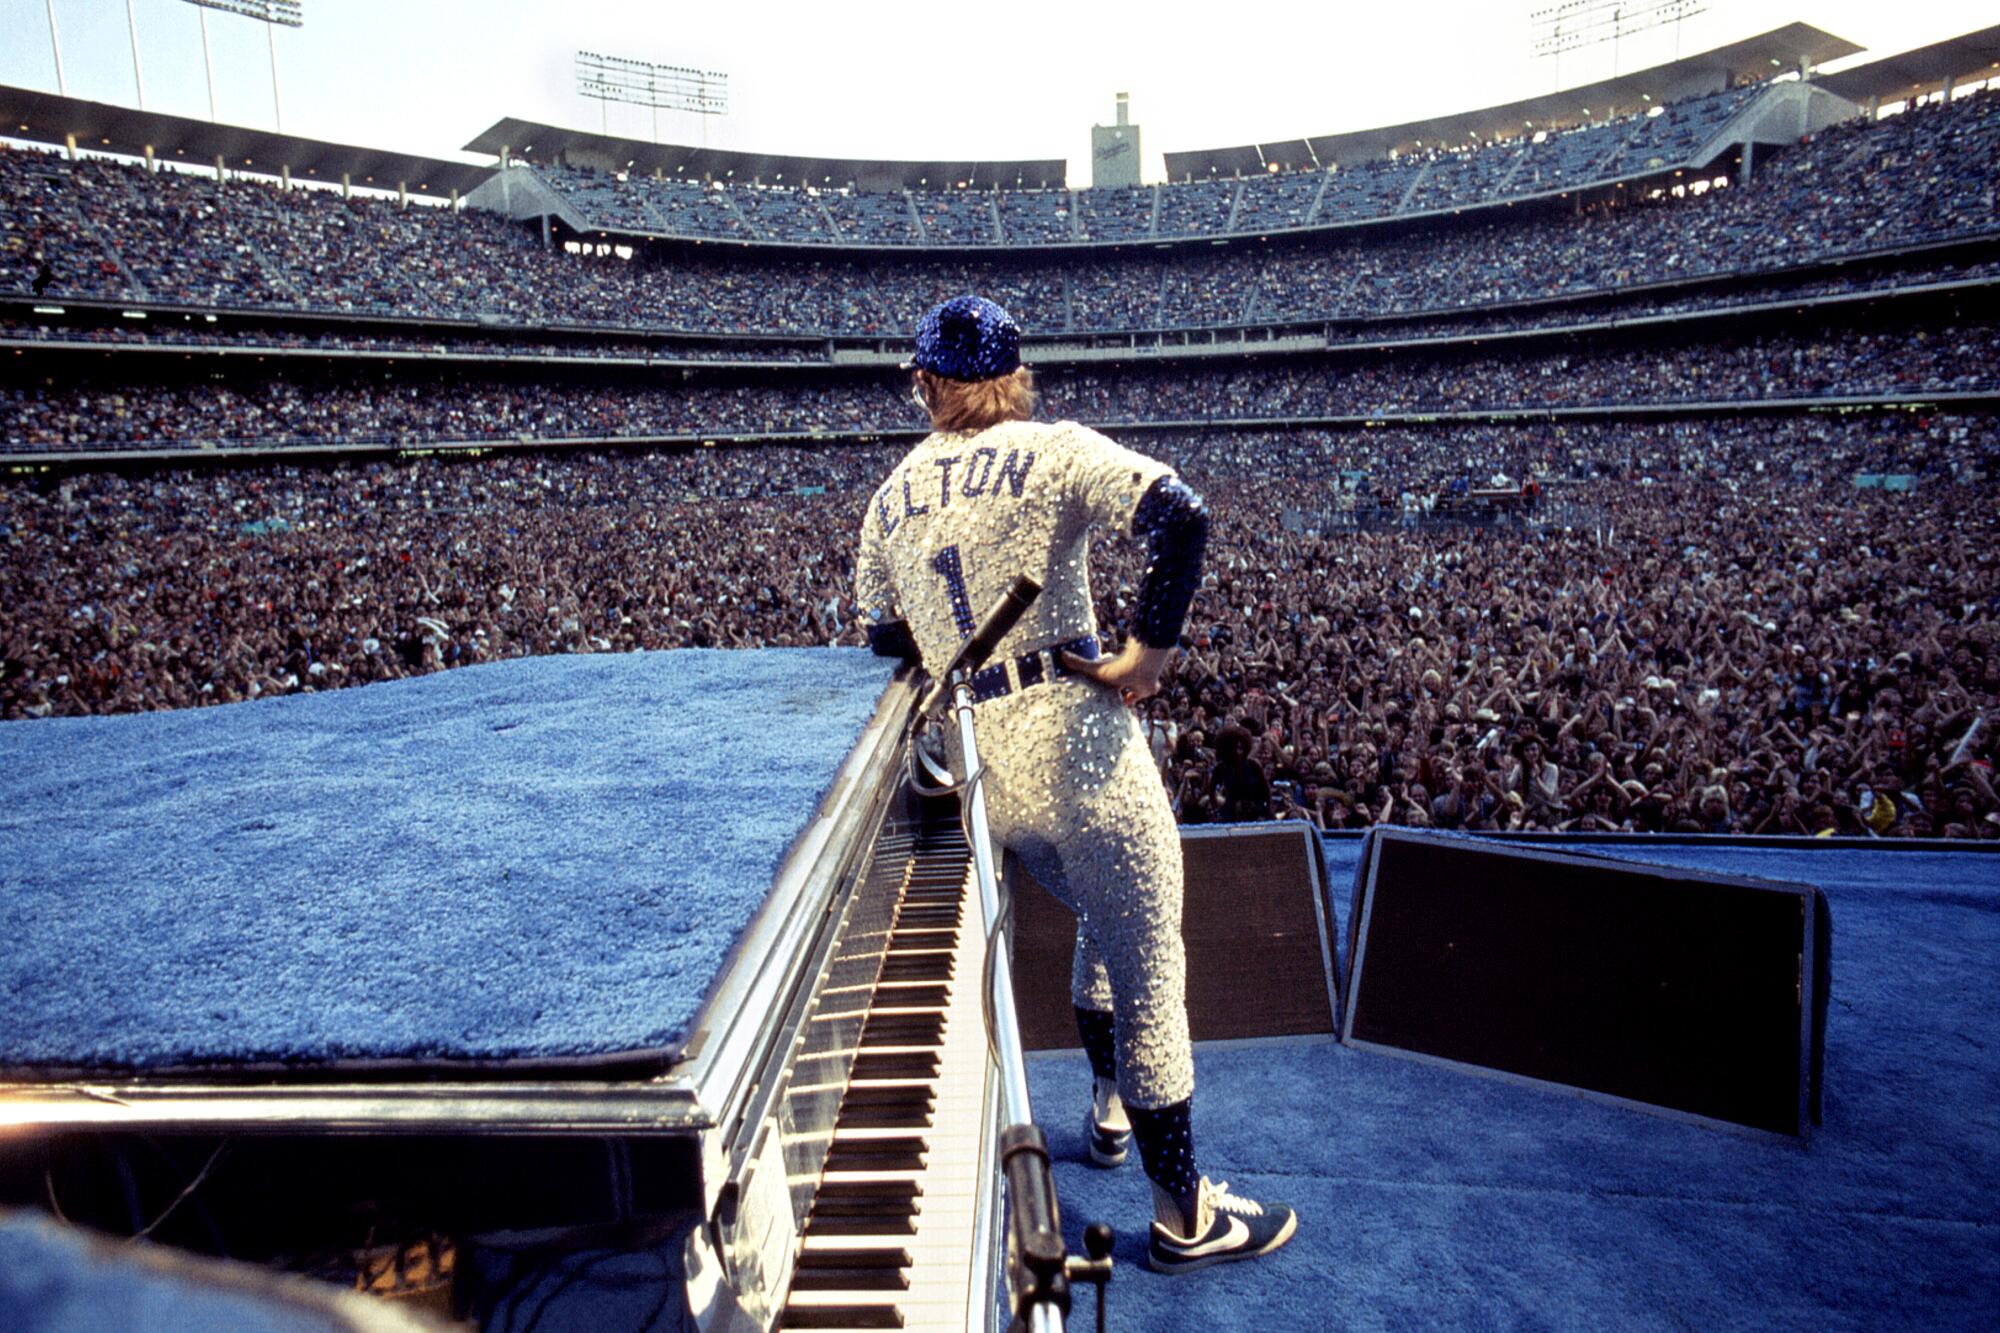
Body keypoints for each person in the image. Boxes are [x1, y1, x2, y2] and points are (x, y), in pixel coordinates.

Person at [854, 295, 1297, 1274]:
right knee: (1149, 968)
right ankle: (1184, 1214)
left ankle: (1103, 1111)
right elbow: (1181, 516)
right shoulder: (1050, 446)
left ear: (927, 382)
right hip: (1079, 747)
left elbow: (883, 637)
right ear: (1014, 376)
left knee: (1099, 927)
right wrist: (1147, 651)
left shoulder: (887, 494)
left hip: (974, 767)